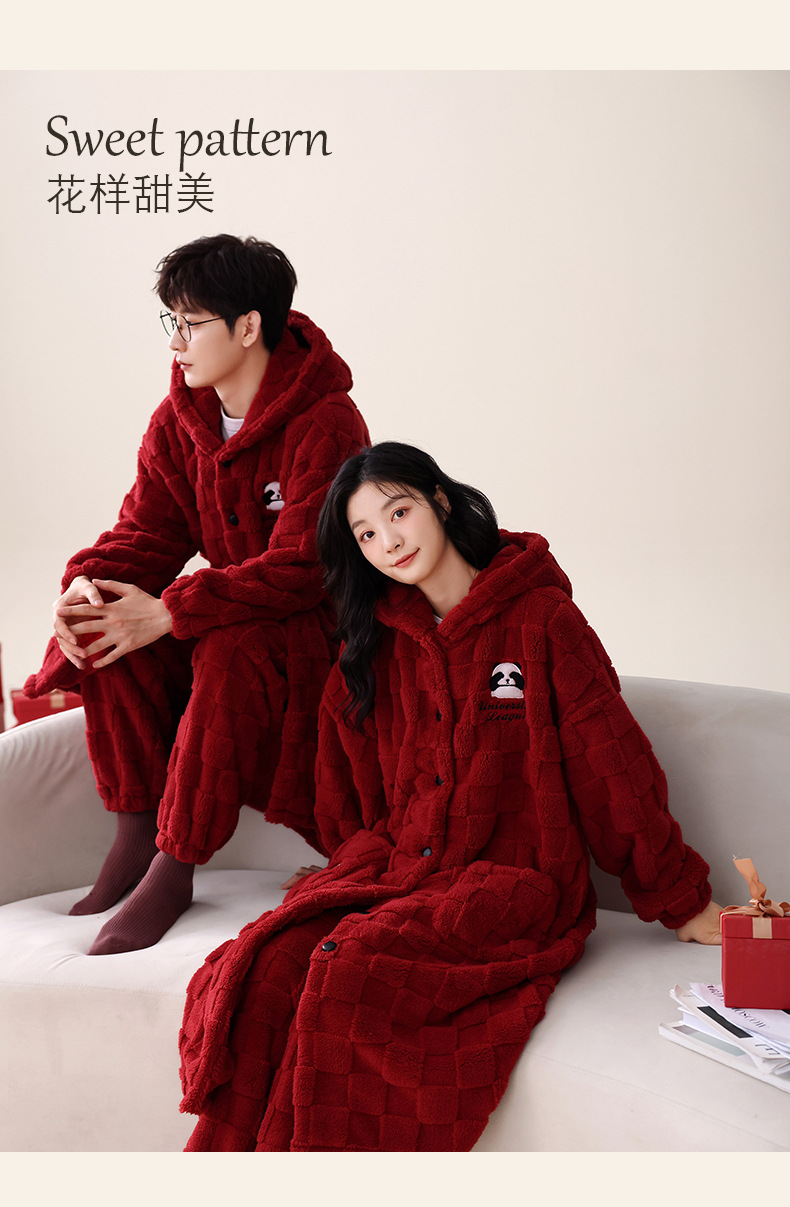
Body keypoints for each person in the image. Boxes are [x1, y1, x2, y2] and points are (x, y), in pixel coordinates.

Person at [177, 441, 722, 1152]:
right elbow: (352, 775)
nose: (388, 541)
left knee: (351, 967)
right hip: (406, 867)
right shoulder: (380, 641)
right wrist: (347, 866)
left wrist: (682, 900)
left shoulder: (542, 621)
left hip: (515, 882)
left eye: (398, 513)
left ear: (438, 499)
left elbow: (610, 765)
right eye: (365, 534)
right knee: (271, 963)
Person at [23, 234, 369, 956]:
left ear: (248, 327)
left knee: (227, 639)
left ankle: (174, 862)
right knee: (109, 612)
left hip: (312, 638)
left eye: (190, 323)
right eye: (170, 321)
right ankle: (134, 832)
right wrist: (84, 585)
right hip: (226, 619)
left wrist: (173, 610)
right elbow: (146, 531)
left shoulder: (327, 422)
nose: (175, 341)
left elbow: (305, 568)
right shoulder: (179, 418)